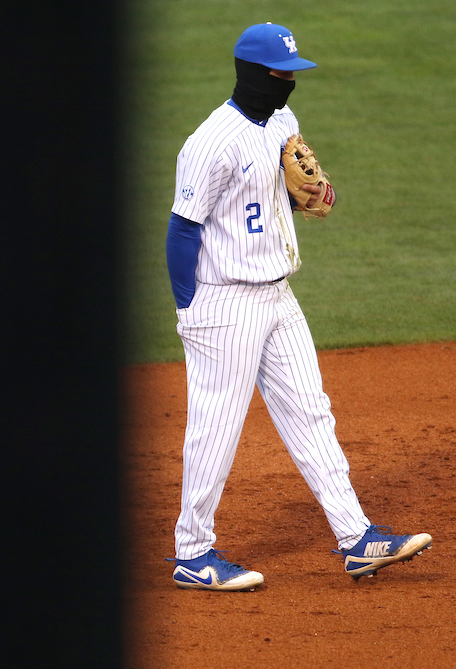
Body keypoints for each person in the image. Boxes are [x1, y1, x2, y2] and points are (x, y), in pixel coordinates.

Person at [164, 22, 432, 590]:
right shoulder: (211, 142)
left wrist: (307, 192)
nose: (290, 82)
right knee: (215, 427)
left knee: (311, 412)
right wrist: (189, 310)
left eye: (293, 72)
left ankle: (356, 536)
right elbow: (182, 231)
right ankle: (193, 551)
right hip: (224, 303)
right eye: (282, 73)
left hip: (279, 296)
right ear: (255, 73)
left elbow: (286, 187)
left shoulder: (282, 122)